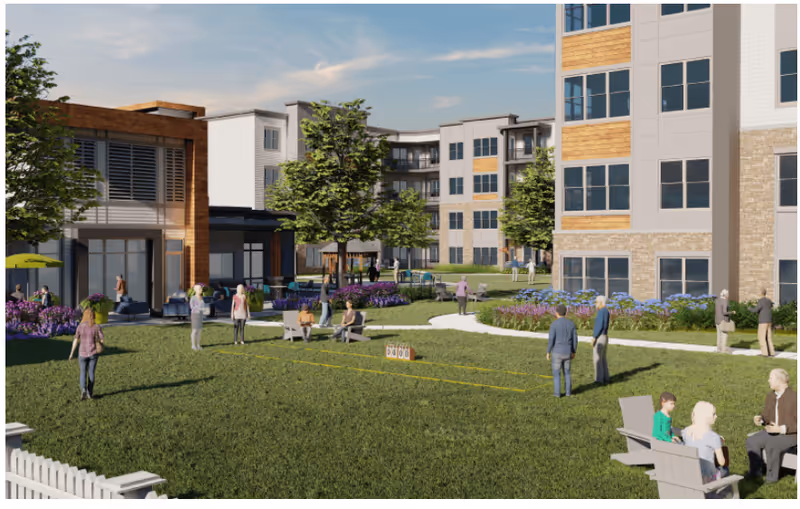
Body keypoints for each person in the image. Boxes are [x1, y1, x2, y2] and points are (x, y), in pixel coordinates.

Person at [745, 368, 797, 483]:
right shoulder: (771, 396)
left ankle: (771, 478)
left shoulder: (795, 398)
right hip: (771, 431)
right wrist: (761, 420)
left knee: (772, 444)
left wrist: (781, 429)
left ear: (780, 381)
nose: (768, 380)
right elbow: (767, 416)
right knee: (752, 441)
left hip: (791, 435)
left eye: (771, 378)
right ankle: (755, 471)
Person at [682, 402, 729, 488]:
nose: (716, 416)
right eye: (713, 414)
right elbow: (722, 462)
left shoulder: (686, 432)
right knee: (725, 469)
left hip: (691, 475)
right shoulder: (714, 437)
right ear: (705, 417)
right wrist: (718, 445)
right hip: (707, 479)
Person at [68, 308, 105, 400]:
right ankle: (90, 392)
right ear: (94, 316)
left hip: (82, 353)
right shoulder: (97, 327)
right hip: (93, 353)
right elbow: (102, 339)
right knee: (91, 372)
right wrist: (100, 343)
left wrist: (71, 353)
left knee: (83, 372)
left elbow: (75, 340)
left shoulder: (80, 326)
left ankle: (83, 390)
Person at [547, 304, 578, 398]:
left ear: (556, 313)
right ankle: (568, 393)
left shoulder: (554, 325)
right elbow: (575, 340)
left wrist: (548, 351)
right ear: (566, 313)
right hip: (568, 352)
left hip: (557, 353)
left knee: (557, 374)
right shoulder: (571, 324)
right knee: (567, 373)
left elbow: (551, 339)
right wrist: (573, 351)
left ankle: (557, 394)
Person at [748, 289, 775, 357]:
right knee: (768, 337)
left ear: (761, 293)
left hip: (763, 321)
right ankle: (771, 353)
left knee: (761, 337)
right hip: (769, 321)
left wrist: (750, 308)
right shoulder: (768, 300)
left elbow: (756, 310)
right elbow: (768, 307)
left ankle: (764, 353)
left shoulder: (761, 300)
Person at [592, 295, 611, 385]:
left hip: (600, 337)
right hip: (605, 336)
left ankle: (599, 379)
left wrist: (594, 337)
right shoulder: (606, 311)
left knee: (597, 358)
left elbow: (599, 325)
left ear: (600, 302)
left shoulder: (601, 312)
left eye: (596, 302)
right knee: (603, 358)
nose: (595, 304)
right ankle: (605, 377)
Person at [714, 289, 735, 353]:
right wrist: (732, 312)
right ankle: (723, 350)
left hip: (717, 320)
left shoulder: (717, 301)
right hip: (723, 321)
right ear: (726, 295)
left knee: (719, 335)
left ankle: (718, 349)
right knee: (724, 335)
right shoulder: (725, 301)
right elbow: (724, 312)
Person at [189, 284, 204, 351]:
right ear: (196, 290)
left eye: (201, 289)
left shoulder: (201, 297)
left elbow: (203, 305)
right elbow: (191, 306)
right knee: (194, 330)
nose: (201, 290)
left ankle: (198, 344)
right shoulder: (193, 298)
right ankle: (193, 345)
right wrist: (197, 308)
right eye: (199, 289)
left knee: (199, 330)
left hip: (200, 314)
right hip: (195, 314)